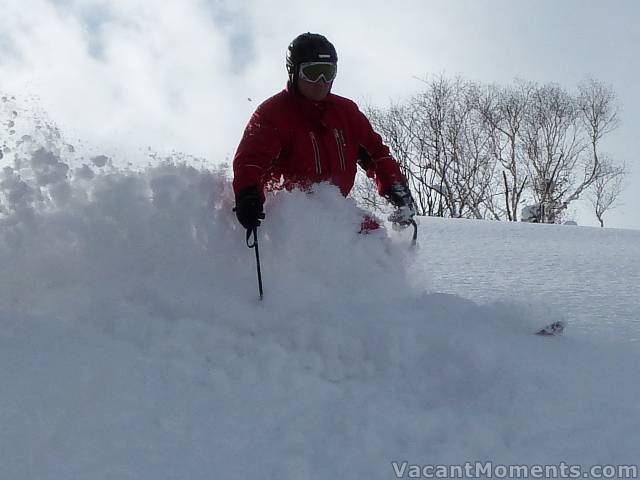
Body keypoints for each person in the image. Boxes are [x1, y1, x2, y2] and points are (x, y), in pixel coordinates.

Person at [232, 32, 416, 232]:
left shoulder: (346, 113)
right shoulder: (272, 114)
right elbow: (250, 161)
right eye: (312, 72)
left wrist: (396, 189)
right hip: (289, 218)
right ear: (293, 72)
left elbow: (377, 155)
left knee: (375, 241)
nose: (321, 81)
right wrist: (248, 194)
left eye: (327, 72)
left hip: (334, 211)